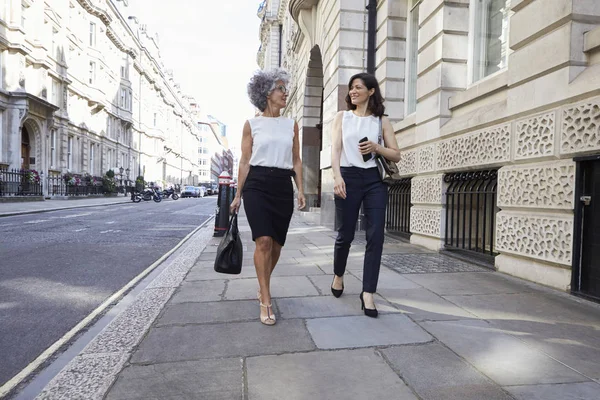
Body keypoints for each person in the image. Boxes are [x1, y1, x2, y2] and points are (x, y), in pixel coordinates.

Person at [230, 68, 305, 326]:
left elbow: (296, 160)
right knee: (263, 240)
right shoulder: (251, 125)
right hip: (257, 185)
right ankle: (266, 299)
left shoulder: (291, 124)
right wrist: (238, 194)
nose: (285, 93)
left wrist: (301, 189)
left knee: (276, 245)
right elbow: (245, 161)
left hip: (282, 185)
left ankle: (263, 285)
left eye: (285, 89)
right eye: (280, 89)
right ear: (266, 93)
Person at [330, 72, 401, 318]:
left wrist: (376, 147)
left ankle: (368, 292)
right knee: (345, 234)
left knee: (376, 237)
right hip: (348, 178)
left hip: (373, 181)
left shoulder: (381, 120)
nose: (352, 91)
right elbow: (336, 150)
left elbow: (396, 154)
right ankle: (338, 274)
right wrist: (337, 177)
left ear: (371, 91)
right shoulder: (342, 117)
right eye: (351, 88)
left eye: (358, 87)